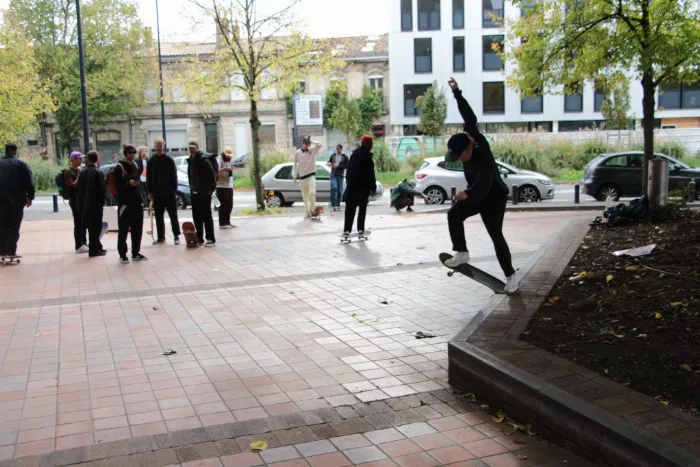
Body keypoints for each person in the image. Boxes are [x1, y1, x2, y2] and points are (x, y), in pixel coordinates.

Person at [444, 78, 519, 294]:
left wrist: (467, 194)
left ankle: (511, 277)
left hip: (493, 197)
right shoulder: (469, 133)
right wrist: (457, 92)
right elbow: (469, 116)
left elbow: (485, 183)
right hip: (477, 194)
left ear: (469, 148)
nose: (460, 161)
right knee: (453, 214)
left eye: (461, 157)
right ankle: (461, 252)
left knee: (495, 234)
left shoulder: (483, 154)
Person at [0, 143, 35, 259]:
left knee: (2, 225)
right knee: (14, 226)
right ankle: (11, 251)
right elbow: (29, 182)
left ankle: (1, 251)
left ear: (5, 151)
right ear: (16, 151)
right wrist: (30, 197)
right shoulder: (22, 164)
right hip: (18, 201)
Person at [115, 144, 147, 263]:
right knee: (123, 230)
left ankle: (135, 252)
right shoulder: (120, 167)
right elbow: (118, 186)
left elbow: (140, 181)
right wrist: (129, 184)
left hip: (137, 201)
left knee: (137, 229)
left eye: (134, 152)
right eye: (130, 152)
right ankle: (122, 254)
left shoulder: (136, 165)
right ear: (125, 154)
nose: (132, 154)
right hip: (125, 203)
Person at [146, 138, 181, 245]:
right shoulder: (151, 161)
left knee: (173, 216)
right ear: (154, 147)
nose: (159, 148)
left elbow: (174, 176)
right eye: (157, 146)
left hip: (169, 193)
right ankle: (161, 237)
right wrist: (149, 192)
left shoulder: (169, 160)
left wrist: (174, 190)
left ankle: (176, 236)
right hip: (157, 194)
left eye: (161, 146)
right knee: (158, 217)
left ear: (164, 147)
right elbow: (148, 177)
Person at [343, 135, 376, 238]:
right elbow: (370, 174)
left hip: (351, 187)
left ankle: (347, 230)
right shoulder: (367, 156)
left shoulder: (354, 154)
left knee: (350, 210)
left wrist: (348, 183)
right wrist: (372, 187)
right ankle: (360, 230)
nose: (372, 146)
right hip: (362, 188)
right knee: (362, 210)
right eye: (371, 144)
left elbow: (348, 171)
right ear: (368, 144)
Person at [186, 141, 217, 246]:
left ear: (198, 147)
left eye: (193, 148)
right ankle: (199, 238)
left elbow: (212, 176)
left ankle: (210, 238)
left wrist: (209, 190)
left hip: (204, 193)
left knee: (206, 216)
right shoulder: (191, 161)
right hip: (194, 192)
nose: (191, 150)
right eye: (189, 148)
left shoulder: (204, 160)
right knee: (196, 216)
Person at [77, 150, 107, 257]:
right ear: (97, 158)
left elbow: (79, 189)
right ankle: (93, 249)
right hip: (95, 204)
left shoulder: (83, 172)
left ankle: (97, 246)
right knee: (96, 227)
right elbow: (102, 190)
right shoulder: (98, 172)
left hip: (85, 204)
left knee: (90, 227)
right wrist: (103, 201)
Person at [293, 136, 323, 218]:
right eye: (305, 143)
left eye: (308, 143)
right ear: (303, 143)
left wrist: (312, 141)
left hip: (311, 176)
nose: (306, 145)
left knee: (312, 193)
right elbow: (295, 164)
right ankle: (307, 212)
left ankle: (313, 210)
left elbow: (320, 145)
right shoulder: (297, 153)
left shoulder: (313, 150)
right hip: (302, 178)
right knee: (305, 197)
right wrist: (294, 175)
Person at [65, 151, 88, 253]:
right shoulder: (68, 172)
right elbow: (72, 185)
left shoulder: (80, 170)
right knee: (78, 222)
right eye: (79, 159)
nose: (81, 161)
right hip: (74, 200)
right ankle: (79, 244)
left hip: (82, 199)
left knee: (83, 222)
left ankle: (84, 243)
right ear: (73, 159)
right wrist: (80, 176)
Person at [216, 148, 235, 229]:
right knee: (223, 205)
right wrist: (224, 168)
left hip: (229, 185)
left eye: (230, 156)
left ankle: (227, 221)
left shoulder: (228, 161)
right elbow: (215, 170)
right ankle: (222, 223)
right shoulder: (219, 160)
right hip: (221, 185)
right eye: (228, 156)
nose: (229, 157)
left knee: (229, 204)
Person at [327, 144, 349, 212]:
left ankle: (337, 205)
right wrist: (329, 163)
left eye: (339, 149)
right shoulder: (333, 155)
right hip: (333, 174)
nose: (338, 150)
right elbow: (329, 161)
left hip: (341, 175)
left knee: (339, 190)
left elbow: (347, 166)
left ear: (341, 149)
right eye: (337, 149)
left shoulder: (345, 157)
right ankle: (332, 203)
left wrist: (338, 166)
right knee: (334, 188)